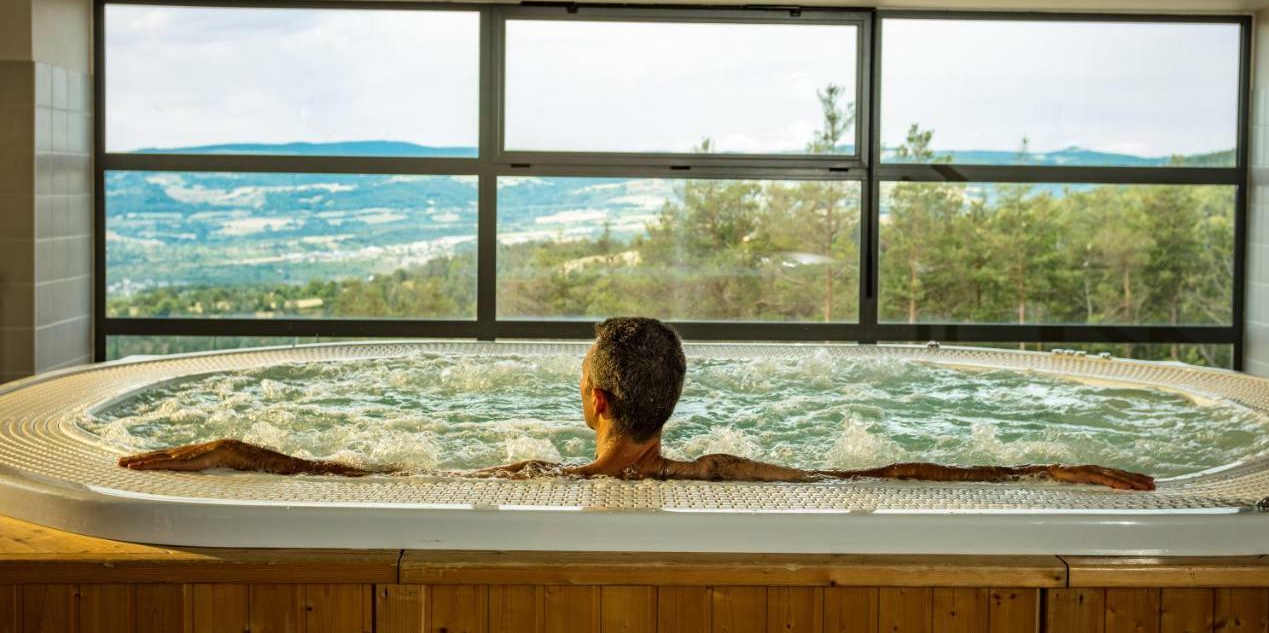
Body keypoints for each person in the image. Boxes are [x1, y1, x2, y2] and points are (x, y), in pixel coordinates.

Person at [119, 317, 1155, 490]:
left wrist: (227, 447)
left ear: (591, 401)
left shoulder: (532, 480)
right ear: (665, 402)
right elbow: (884, 474)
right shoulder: (725, 476)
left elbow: (358, 476)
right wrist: (1037, 468)